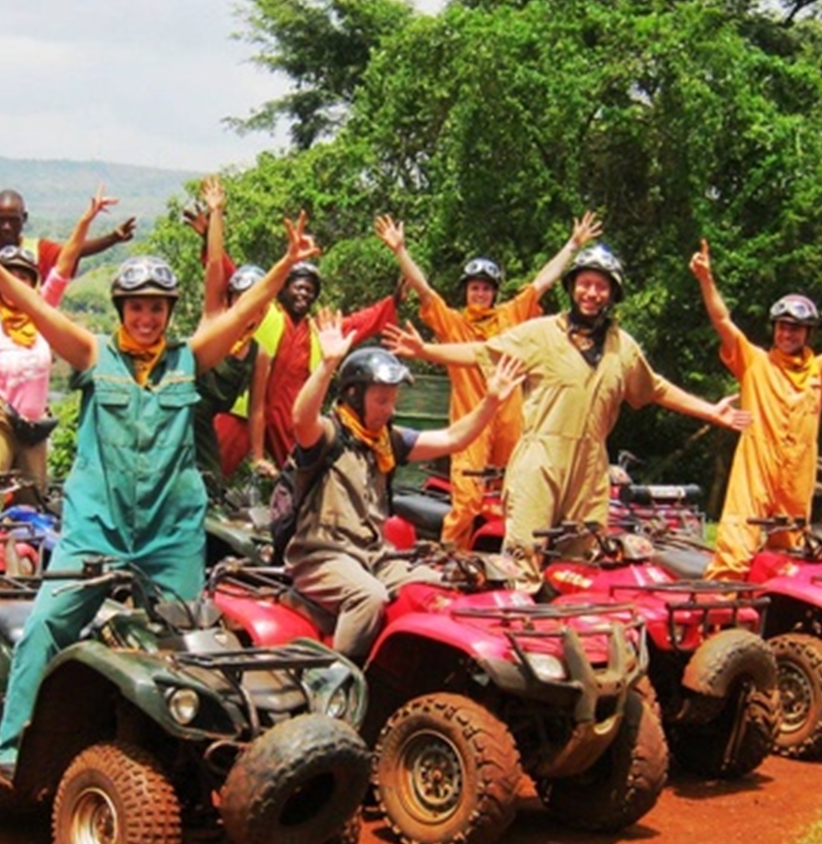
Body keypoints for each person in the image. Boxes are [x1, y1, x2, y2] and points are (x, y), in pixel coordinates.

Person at [0, 220, 321, 776]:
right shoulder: (93, 354)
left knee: (187, 642)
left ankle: (187, 761)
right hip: (96, 526)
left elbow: (241, 313)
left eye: (157, 308)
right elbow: (41, 312)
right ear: (120, 310)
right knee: (46, 626)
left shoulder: (189, 359)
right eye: (136, 307)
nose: (146, 317)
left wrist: (283, 264)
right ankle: (13, 750)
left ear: (169, 312)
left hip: (169, 532)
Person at [387, 238, 751, 567]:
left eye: (601, 286)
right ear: (572, 288)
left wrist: (709, 410)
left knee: (580, 566)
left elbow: (655, 388)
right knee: (522, 561)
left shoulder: (623, 347)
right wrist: (426, 351)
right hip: (539, 462)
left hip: (591, 469)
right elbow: (482, 352)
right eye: (585, 284)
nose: (592, 293)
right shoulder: (541, 333)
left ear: (613, 293)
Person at [285, 314, 526, 659]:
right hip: (322, 557)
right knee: (368, 596)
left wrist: (491, 402)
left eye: (392, 400)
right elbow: (300, 418)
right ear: (353, 396)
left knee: (443, 584)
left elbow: (453, 437)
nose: (389, 409)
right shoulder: (328, 435)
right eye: (381, 400)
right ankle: (339, 684)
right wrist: (326, 365)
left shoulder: (388, 441)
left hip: (374, 556)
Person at [375, 212, 599, 548]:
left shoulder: (511, 316)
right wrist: (400, 250)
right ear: (466, 291)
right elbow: (423, 289)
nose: (480, 294)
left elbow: (542, 283)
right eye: (474, 288)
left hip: (512, 427)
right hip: (470, 428)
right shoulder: (453, 323)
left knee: (517, 502)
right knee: (466, 504)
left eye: (486, 288)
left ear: (494, 293)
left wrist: (574, 245)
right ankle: (451, 563)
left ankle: (510, 564)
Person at [691, 239, 822, 579]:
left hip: (797, 477)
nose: (788, 333)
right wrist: (705, 279)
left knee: (788, 558)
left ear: (808, 332)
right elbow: (722, 320)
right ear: (774, 328)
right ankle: (719, 619)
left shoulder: (820, 370)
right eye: (782, 326)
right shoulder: (755, 362)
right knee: (733, 551)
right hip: (756, 469)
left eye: (796, 328)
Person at [0, 189, 119, 521]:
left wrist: (87, 219)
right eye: (10, 278)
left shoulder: (42, 319)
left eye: (25, 278)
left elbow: (65, 262)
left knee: (33, 509)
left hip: (32, 425)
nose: (18, 285)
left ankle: (21, 569)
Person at [0, 188, 137, 373]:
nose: (7, 227)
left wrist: (112, 238)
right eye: (1, 220)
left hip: (24, 358)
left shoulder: (36, 251)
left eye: (13, 220)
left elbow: (70, 254)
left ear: (24, 218)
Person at [248, 223, 400, 474]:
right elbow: (239, 296)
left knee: (303, 473)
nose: (304, 294)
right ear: (283, 289)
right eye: (298, 286)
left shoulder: (320, 329)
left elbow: (359, 323)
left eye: (310, 290)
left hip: (292, 413)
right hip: (248, 409)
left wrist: (394, 301)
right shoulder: (265, 314)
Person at [182, 175, 265, 477]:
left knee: (211, 483)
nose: (247, 308)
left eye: (255, 302)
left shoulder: (258, 353)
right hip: (178, 413)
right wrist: (216, 213)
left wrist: (258, 457)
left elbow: (257, 410)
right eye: (240, 299)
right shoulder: (215, 318)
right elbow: (216, 263)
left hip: (203, 426)